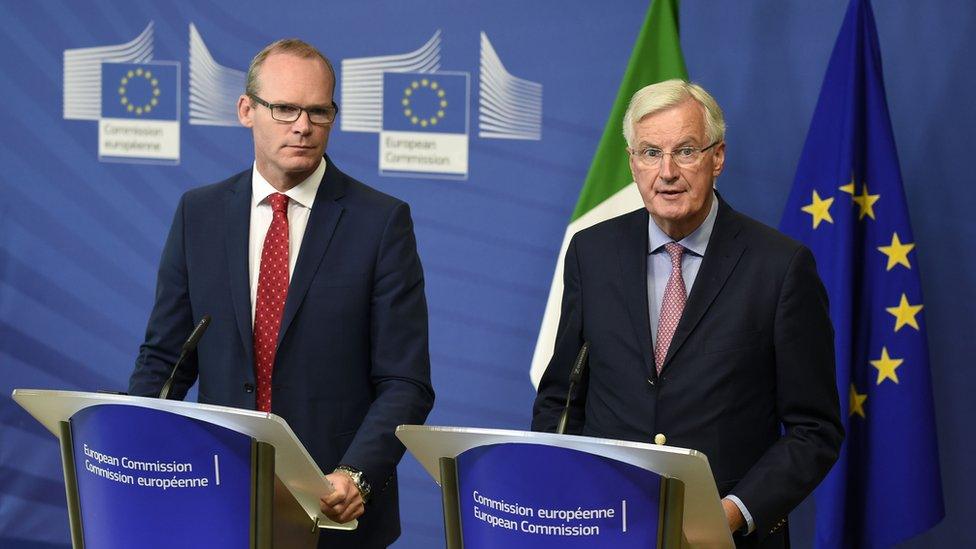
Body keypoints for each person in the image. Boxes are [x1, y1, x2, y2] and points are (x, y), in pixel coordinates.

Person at [129, 39, 434, 548]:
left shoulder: (380, 223)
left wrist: (355, 475)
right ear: (246, 110)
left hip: (332, 509)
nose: (303, 125)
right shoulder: (198, 214)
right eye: (285, 108)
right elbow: (166, 358)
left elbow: (406, 381)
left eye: (319, 111)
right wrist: (128, 439)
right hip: (215, 498)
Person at [532, 79, 843, 548]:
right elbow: (562, 398)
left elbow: (814, 429)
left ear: (717, 157)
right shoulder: (590, 252)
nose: (668, 172)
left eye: (686, 151)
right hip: (603, 528)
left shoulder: (779, 267)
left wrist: (731, 515)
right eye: (651, 152)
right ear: (632, 162)